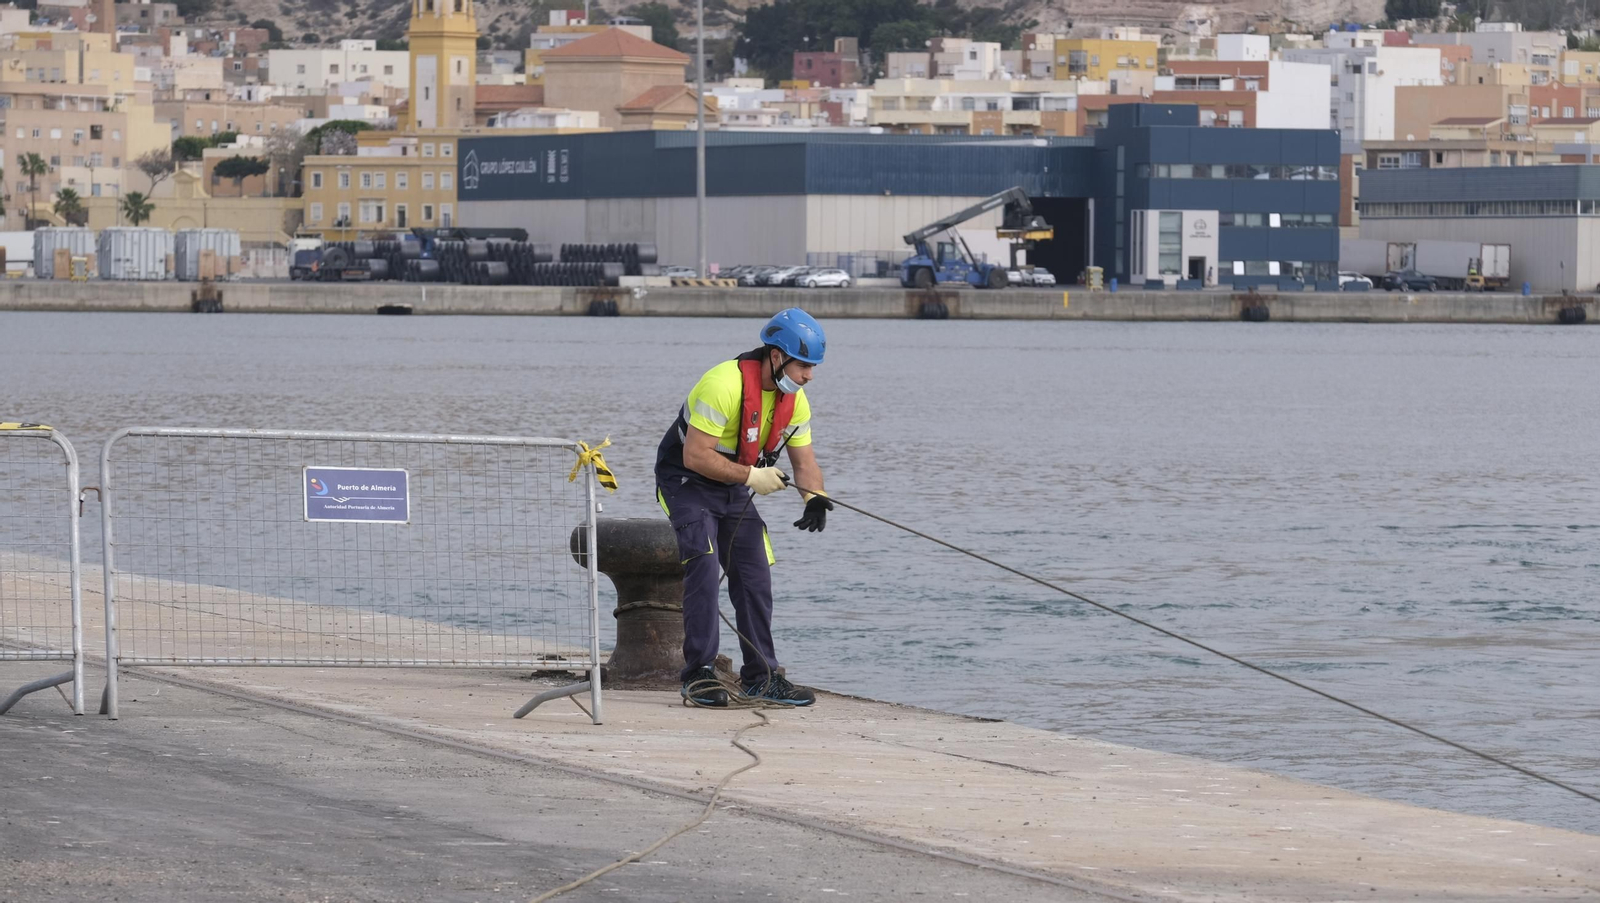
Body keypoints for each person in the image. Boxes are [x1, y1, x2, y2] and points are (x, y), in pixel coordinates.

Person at [655, 308, 833, 708]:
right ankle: (698, 675)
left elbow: (805, 464)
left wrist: (814, 497)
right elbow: (696, 456)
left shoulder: (796, 401)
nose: (809, 376)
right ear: (776, 356)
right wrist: (753, 477)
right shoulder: (722, 385)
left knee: (755, 575)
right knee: (703, 562)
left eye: (813, 367)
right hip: (686, 481)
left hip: (734, 485)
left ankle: (761, 678)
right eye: (804, 365)